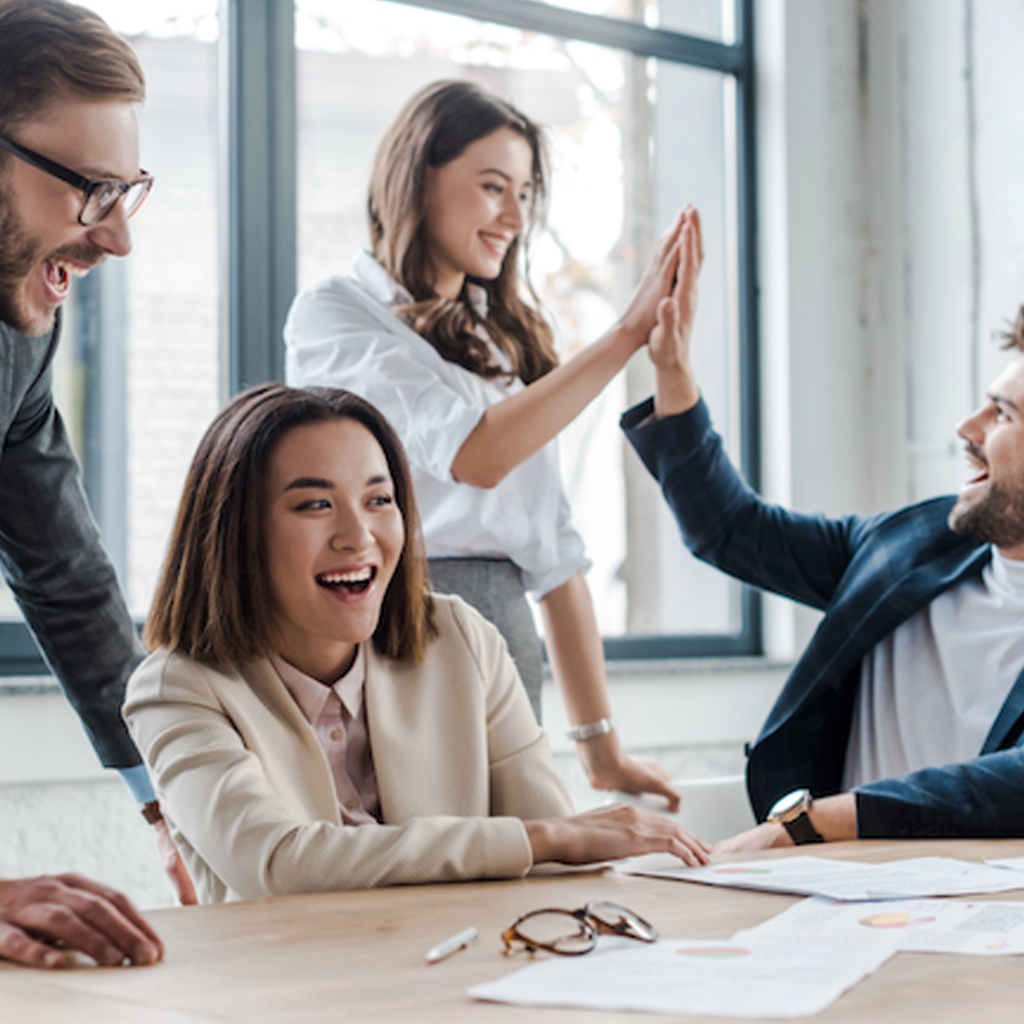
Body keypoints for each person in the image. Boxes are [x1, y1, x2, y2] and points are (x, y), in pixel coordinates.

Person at [123, 385, 710, 902]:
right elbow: (277, 863)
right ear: (235, 532)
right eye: (316, 505)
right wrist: (539, 839)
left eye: (380, 500)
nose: (360, 536)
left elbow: (557, 857)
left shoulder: (461, 639)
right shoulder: (175, 688)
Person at [285, 79, 696, 810]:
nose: (515, 215)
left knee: (517, 883)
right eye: (492, 187)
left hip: (506, 637)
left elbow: (554, 551)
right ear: (419, 179)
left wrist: (602, 749)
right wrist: (626, 335)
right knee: (418, 873)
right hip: (400, 628)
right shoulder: (336, 315)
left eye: (526, 193)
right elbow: (476, 454)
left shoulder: (501, 344)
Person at [623, 208, 1024, 847]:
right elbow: (731, 529)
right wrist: (672, 372)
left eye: (1002, 414)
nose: (966, 429)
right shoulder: (910, 542)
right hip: (827, 902)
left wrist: (811, 824)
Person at [0, 0, 194, 960]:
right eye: (90, 192)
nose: (118, 240)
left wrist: (169, 797)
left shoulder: (20, 331)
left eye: (130, 191)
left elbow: (65, 570)